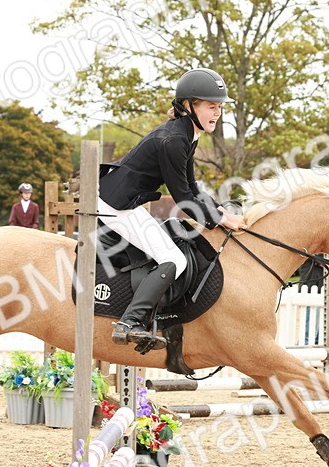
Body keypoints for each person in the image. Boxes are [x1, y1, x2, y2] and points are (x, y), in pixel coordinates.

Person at [99, 67, 246, 350]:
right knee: (174, 260)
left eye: (219, 107)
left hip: (125, 203)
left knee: (168, 253)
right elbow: (183, 199)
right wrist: (220, 220)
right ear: (189, 106)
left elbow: (192, 187)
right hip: (113, 205)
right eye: (211, 107)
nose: (217, 113)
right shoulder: (174, 140)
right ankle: (129, 323)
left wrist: (221, 212)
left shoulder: (187, 134)